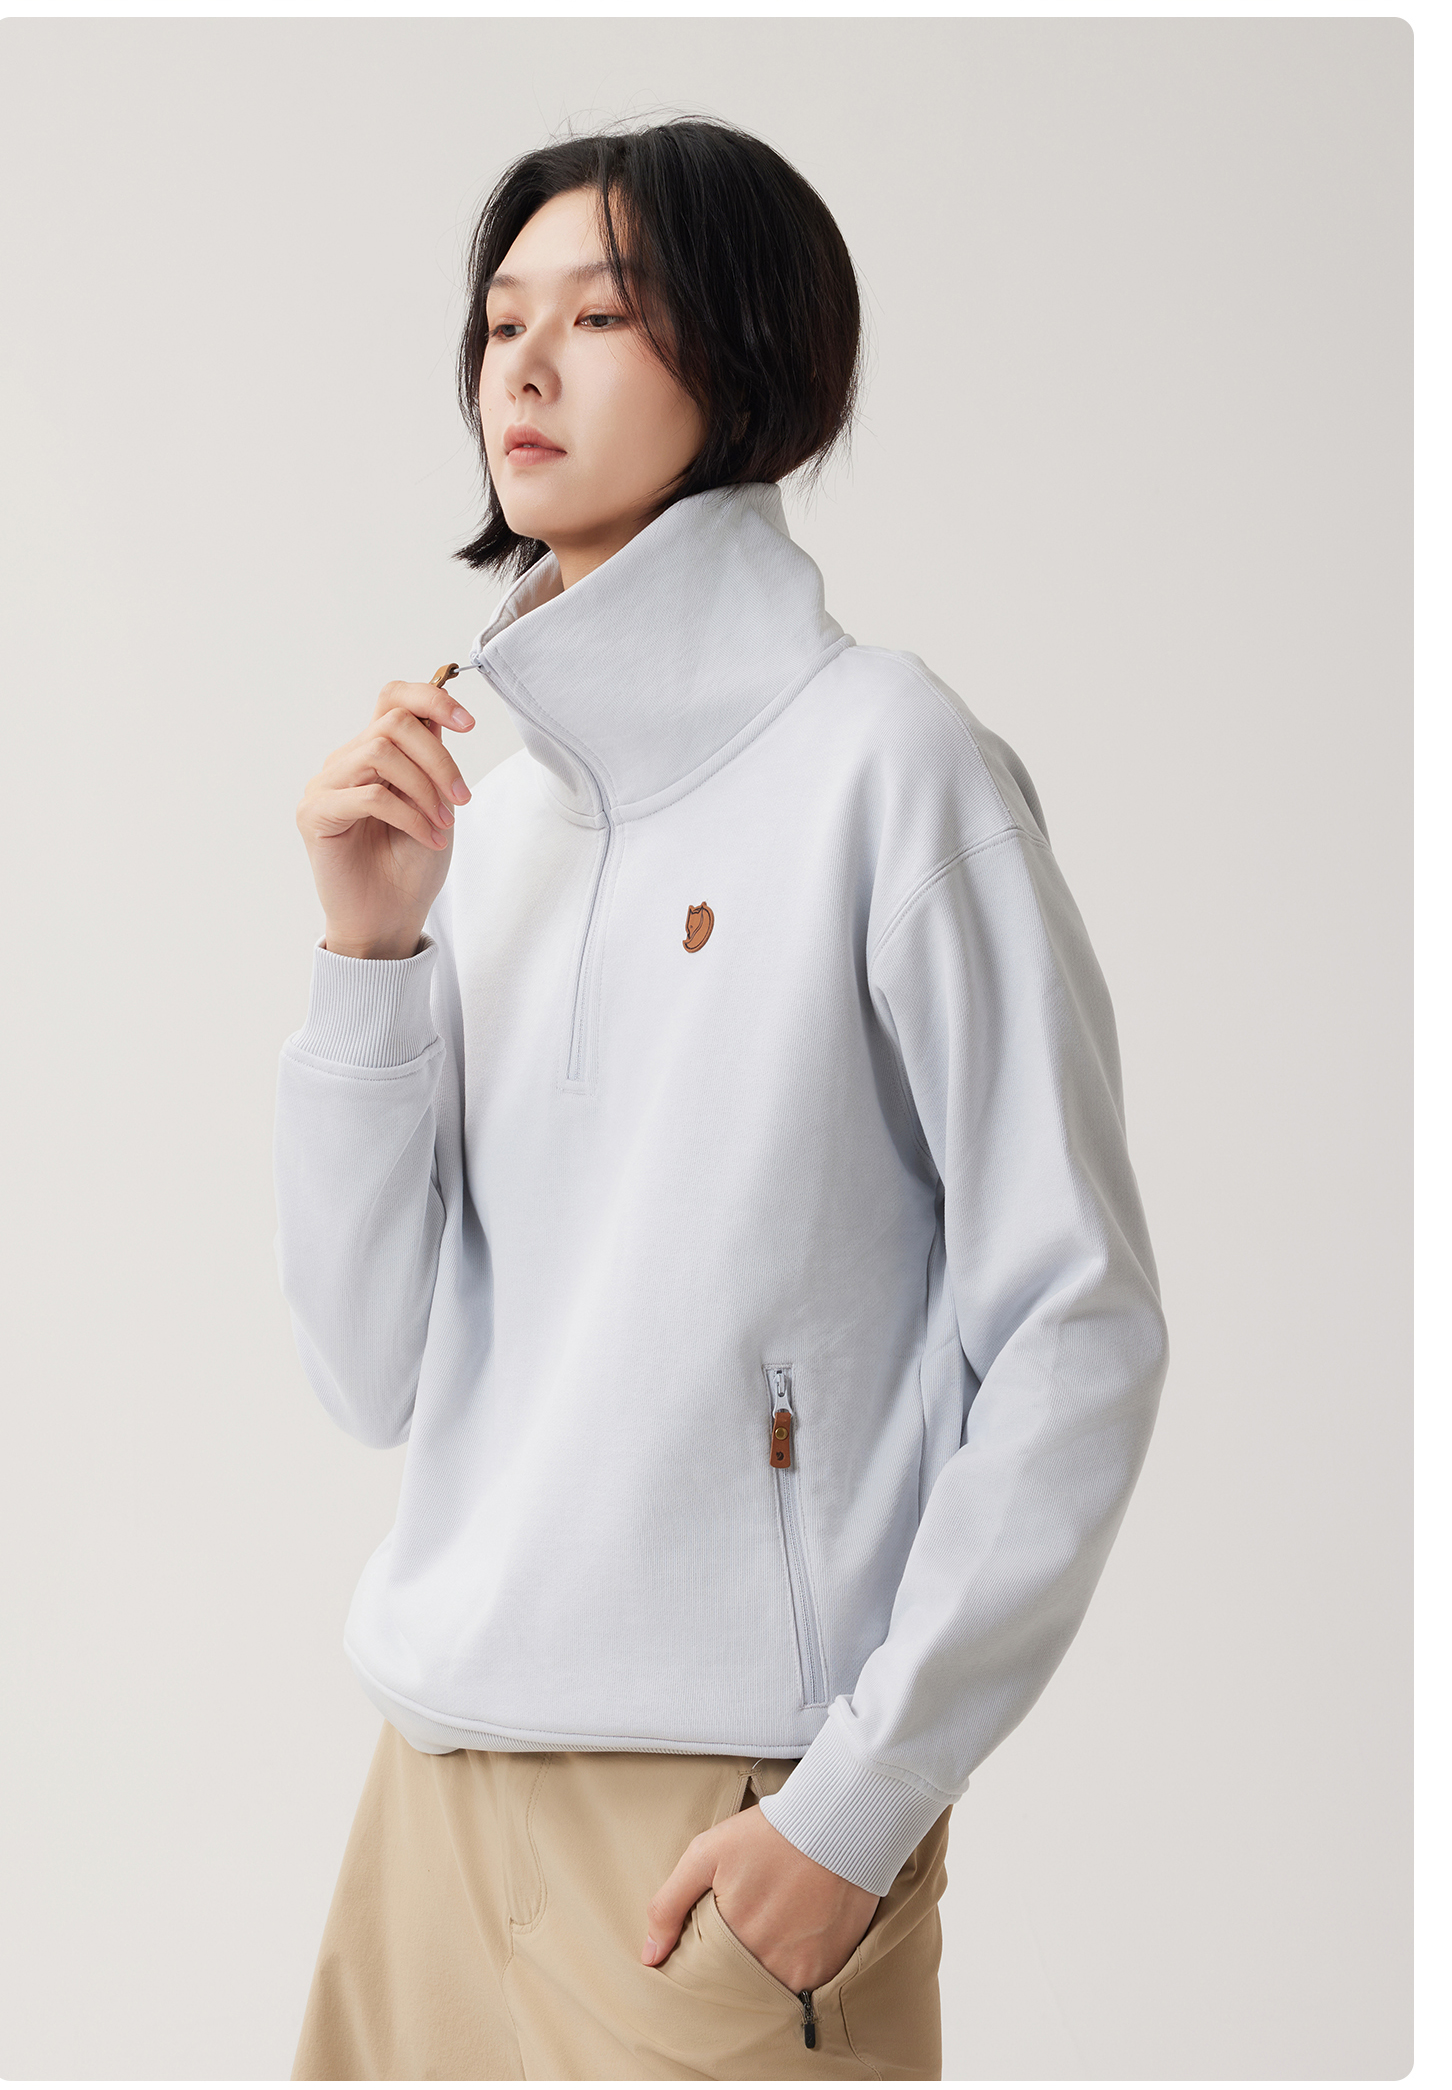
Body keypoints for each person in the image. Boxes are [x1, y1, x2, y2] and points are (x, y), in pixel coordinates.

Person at [273, 116, 1169, 2082]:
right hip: (429, 1794)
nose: (525, 363)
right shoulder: (488, 822)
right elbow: (366, 1370)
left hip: (727, 1826)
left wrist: (858, 1806)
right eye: (501, 317)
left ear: (749, 349)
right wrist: (369, 958)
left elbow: (1078, 1325)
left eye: (601, 314)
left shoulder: (889, 764)